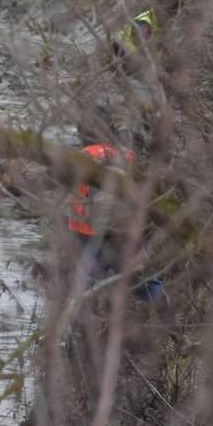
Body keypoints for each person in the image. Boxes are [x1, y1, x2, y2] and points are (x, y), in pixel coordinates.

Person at [66, 126, 164, 302]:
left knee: (87, 289)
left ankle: (89, 324)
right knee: (145, 281)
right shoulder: (128, 156)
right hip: (125, 232)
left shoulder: (80, 156)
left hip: (88, 233)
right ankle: (165, 315)